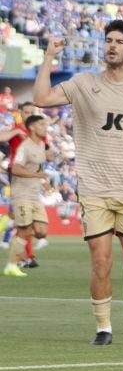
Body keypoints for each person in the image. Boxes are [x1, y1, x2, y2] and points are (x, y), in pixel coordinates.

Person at [33, 20, 123, 346]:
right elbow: (41, 98)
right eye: (108, 40)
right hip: (94, 188)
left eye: (119, 41)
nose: (111, 46)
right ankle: (104, 327)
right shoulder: (84, 83)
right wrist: (48, 58)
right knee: (100, 259)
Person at [4, 115, 50, 278]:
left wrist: (43, 180)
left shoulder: (41, 145)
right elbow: (16, 169)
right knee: (24, 230)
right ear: (31, 127)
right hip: (22, 194)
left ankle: (7, 222)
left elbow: (39, 167)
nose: (45, 127)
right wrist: (37, 176)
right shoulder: (25, 146)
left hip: (34, 195)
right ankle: (11, 265)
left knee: (41, 232)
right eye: (41, 124)